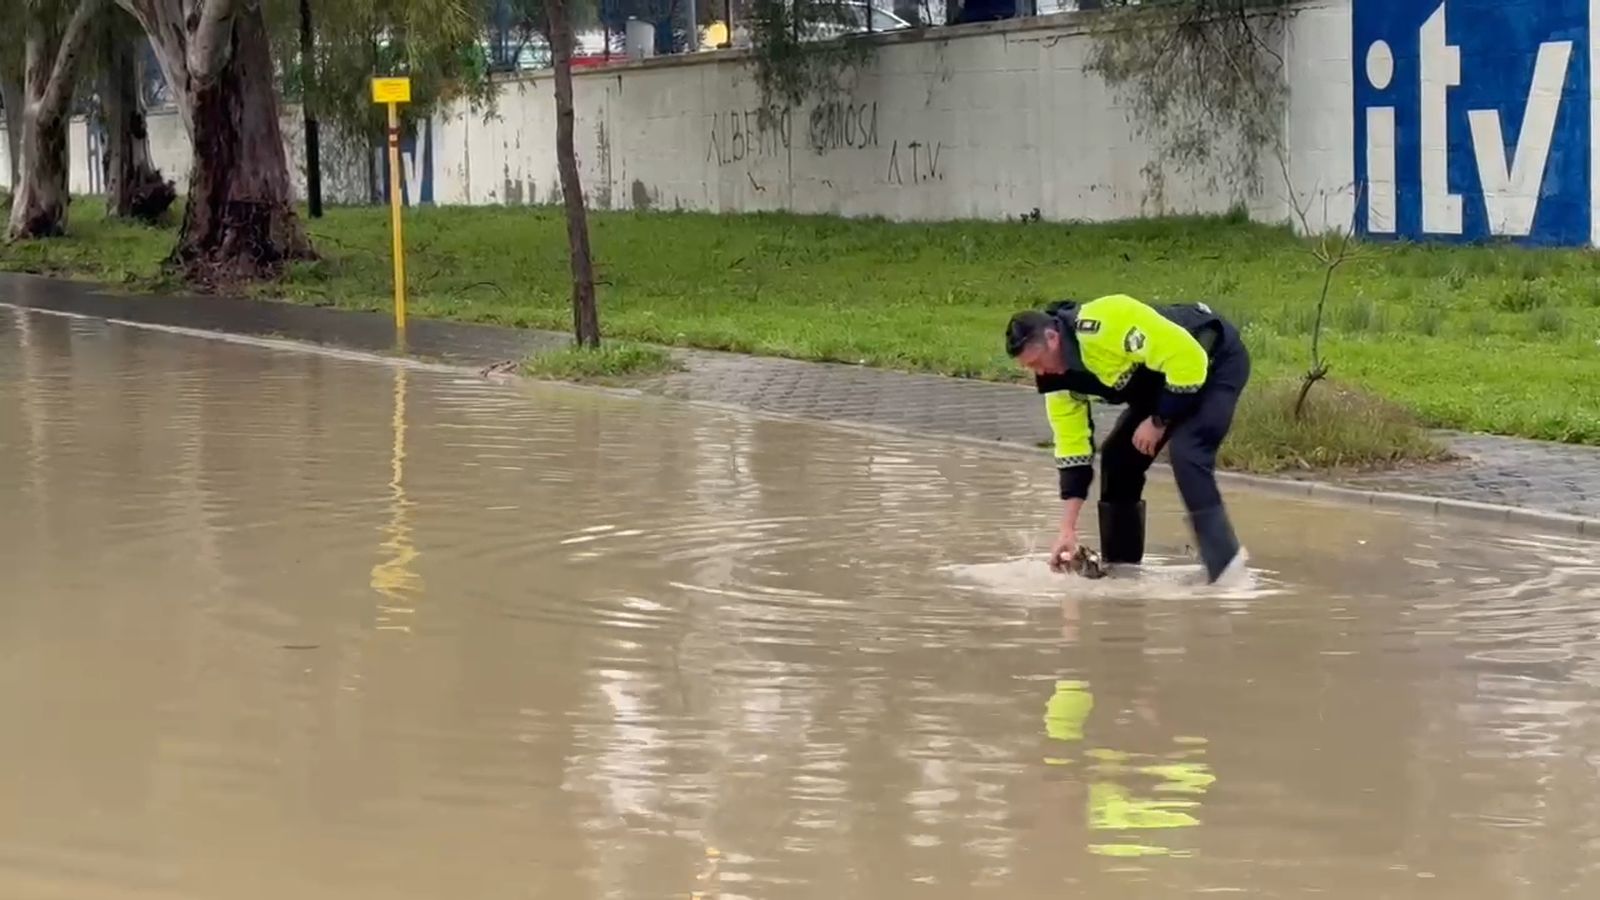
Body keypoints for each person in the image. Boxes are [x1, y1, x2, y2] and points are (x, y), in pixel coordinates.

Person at [1004, 293, 1251, 584]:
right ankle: (1122, 571)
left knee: (1188, 451)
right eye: (1029, 368)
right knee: (1118, 460)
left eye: (1037, 362)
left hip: (1212, 362)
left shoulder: (1106, 323)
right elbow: (1073, 449)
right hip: (1165, 386)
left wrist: (1160, 420)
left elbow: (1189, 359)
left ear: (1052, 337)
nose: (1039, 373)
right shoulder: (1057, 382)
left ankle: (1227, 567)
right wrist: (1067, 530)